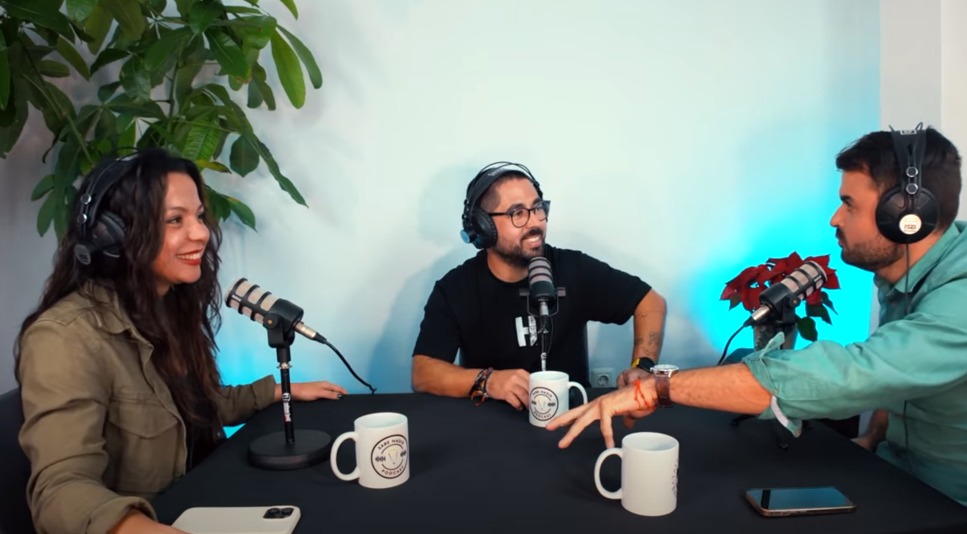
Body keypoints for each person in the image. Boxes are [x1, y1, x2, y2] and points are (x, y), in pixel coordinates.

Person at [547, 126, 967, 507]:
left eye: (848, 204)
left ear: (907, 216)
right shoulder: (909, 275)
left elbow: (856, 372)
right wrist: (873, 439)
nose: (834, 219)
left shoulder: (960, 296)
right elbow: (901, 373)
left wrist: (658, 389)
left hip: (945, 502)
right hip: (895, 475)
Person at [15, 149, 348, 534]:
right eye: (175, 220)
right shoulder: (64, 339)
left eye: (199, 216)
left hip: (204, 501)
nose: (201, 233)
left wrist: (278, 391)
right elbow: (60, 490)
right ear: (113, 236)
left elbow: (196, 407)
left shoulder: (164, 307)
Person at [411, 161, 667, 409]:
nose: (535, 222)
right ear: (483, 227)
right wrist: (488, 380)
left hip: (572, 417)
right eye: (517, 213)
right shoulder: (456, 288)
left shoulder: (574, 268)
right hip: (489, 424)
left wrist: (642, 366)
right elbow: (423, 373)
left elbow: (650, 301)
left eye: (538, 208)